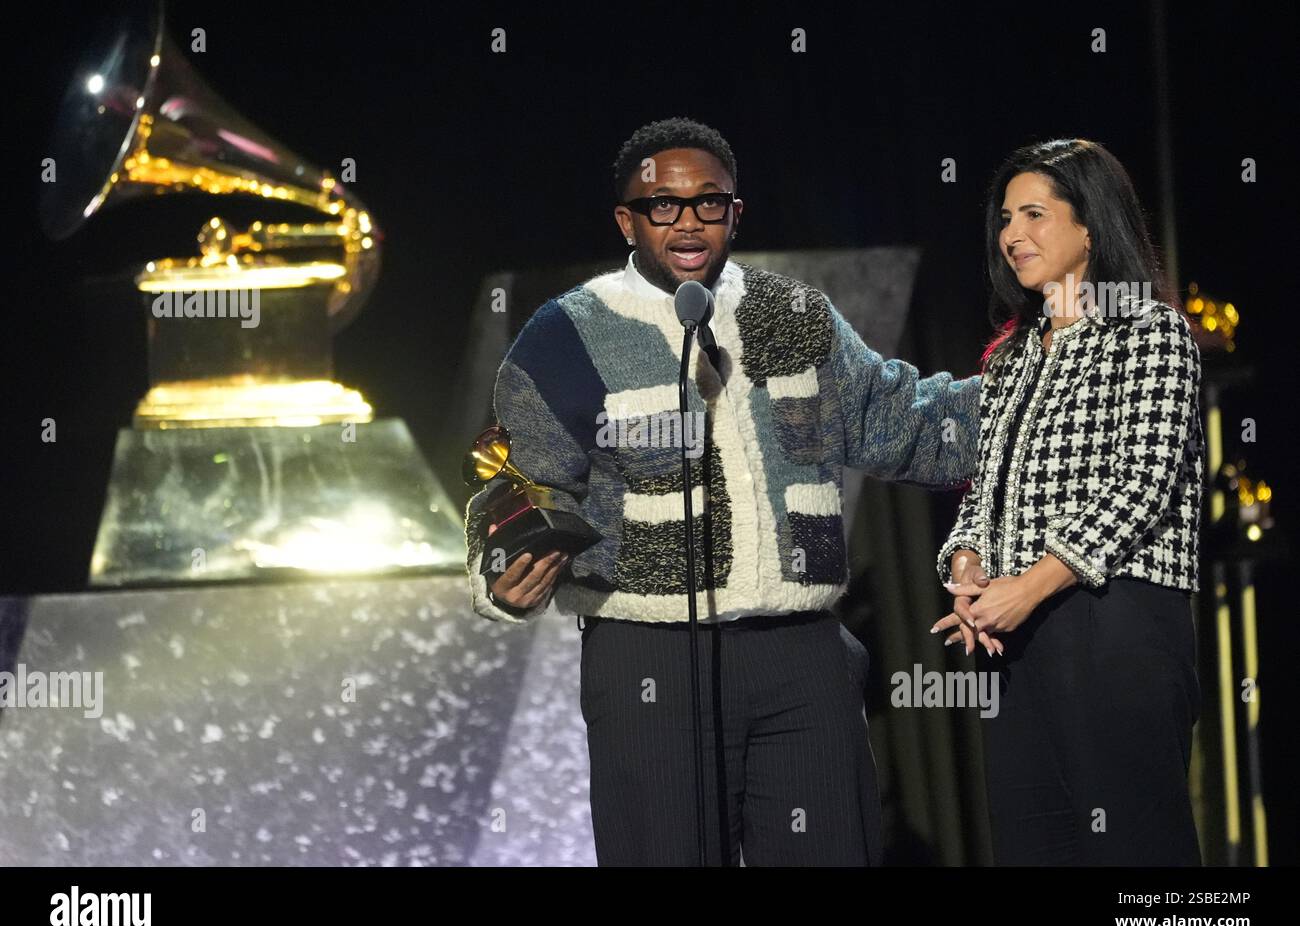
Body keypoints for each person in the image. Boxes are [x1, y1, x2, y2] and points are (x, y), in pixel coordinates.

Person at [465, 117, 981, 865]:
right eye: (662, 206)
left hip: (801, 659)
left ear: (735, 212)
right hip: (650, 667)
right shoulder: (568, 332)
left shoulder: (793, 314)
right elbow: (514, 481)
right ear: (628, 220)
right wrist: (502, 577)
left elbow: (897, 420)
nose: (687, 222)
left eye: (709, 203)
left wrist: (1029, 387)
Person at [933, 139, 1204, 865]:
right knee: (1035, 842)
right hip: (1017, 640)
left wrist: (1030, 585)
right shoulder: (1012, 356)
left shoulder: (1150, 333)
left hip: (1117, 621)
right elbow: (983, 492)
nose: (1011, 234)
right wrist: (969, 569)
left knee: (1138, 851)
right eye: (1005, 218)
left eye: (1033, 215)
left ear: (1090, 227)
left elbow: (1140, 484)